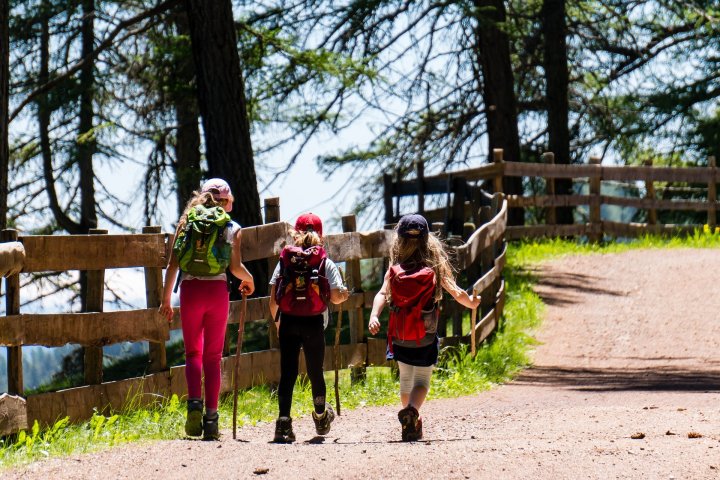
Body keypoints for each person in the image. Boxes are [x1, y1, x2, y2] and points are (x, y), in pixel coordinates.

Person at [368, 213, 480, 441]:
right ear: (427, 240)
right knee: (422, 382)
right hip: (425, 337)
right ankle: (413, 412)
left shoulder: (395, 268)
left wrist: (374, 315)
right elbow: (456, 292)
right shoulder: (434, 267)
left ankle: (410, 420)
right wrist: (471, 302)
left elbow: (382, 293)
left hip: (399, 337)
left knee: (406, 379)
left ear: (398, 240)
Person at [159, 178, 255, 440]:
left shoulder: (186, 222)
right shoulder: (231, 227)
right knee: (213, 357)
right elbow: (235, 268)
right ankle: (211, 419)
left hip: (190, 291)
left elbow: (172, 266)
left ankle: (193, 405)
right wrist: (249, 280)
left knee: (193, 354)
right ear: (227, 201)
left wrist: (166, 300)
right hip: (217, 293)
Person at [269, 213, 350, 443]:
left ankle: (283, 423)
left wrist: (278, 324)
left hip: (288, 321)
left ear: (295, 233)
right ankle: (321, 416)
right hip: (314, 322)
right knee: (315, 372)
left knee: (288, 373)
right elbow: (334, 296)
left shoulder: (285, 261)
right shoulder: (325, 262)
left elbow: (273, 298)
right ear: (321, 236)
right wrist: (344, 295)